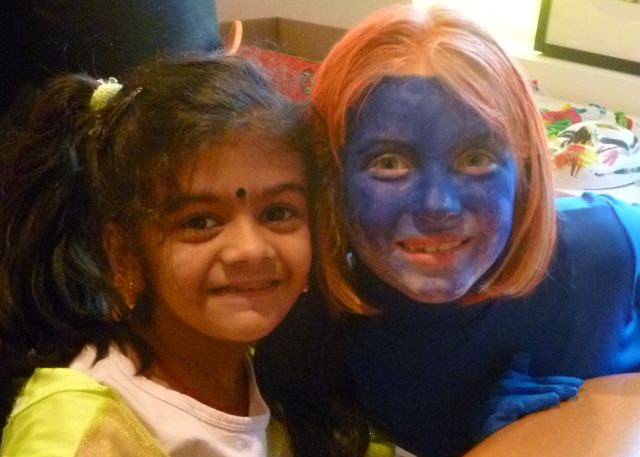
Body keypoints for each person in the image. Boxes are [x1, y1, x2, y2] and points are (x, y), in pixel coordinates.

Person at [254, 4, 640, 457]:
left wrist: (596, 416)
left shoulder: (606, 247)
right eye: (389, 163)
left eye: (475, 158)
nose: (438, 206)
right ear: (331, 179)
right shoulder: (305, 340)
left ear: (524, 168)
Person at [0, 53, 313, 456]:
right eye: (200, 221)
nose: (250, 250)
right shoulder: (79, 431)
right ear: (124, 254)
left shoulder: (281, 372)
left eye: (278, 213)